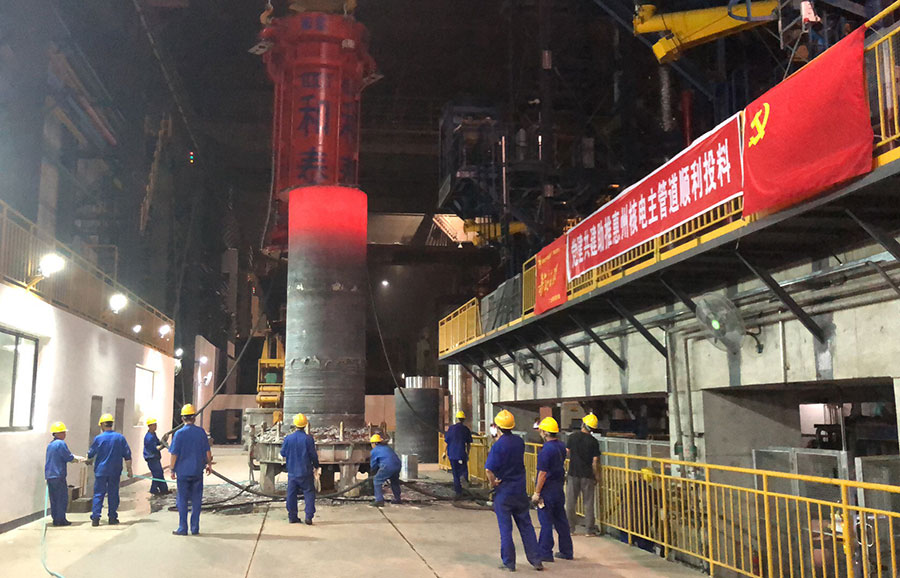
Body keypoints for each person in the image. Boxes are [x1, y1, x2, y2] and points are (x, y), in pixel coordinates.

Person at [484, 409, 543, 572]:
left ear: (498, 427)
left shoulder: (498, 446)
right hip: (519, 490)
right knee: (526, 526)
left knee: (506, 529)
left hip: (504, 492)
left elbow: (489, 469)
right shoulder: (519, 442)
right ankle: (536, 560)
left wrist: (493, 483)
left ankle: (509, 563)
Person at [532, 417, 573, 562]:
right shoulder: (561, 446)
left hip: (547, 490)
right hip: (558, 488)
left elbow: (542, 473)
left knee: (546, 522)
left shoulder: (546, 450)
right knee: (561, 521)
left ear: (545, 432)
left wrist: (537, 493)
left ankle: (545, 553)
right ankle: (567, 551)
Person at [169, 404, 212, 536]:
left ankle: (183, 528)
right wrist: (209, 464)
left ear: (182, 418)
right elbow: (207, 451)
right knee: (196, 500)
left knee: (182, 500)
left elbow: (174, 454)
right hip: (197, 471)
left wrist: (172, 469)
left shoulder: (179, 434)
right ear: (194, 418)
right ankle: (195, 528)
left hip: (183, 473)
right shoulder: (201, 432)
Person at [88, 413, 133, 526]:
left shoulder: (98, 438)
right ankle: (112, 518)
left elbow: (90, 454)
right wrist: (129, 470)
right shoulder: (120, 438)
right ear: (111, 424)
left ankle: (95, 519)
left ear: (102, 425)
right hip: (115, 471)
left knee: (99, 494)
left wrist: (88, 459)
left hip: (101, 471)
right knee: (113, 493)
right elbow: (127, 455)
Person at [280, 412, 320, 524]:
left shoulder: (288, 438)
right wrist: (317, 466)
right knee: (309, 493)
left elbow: (283, 453)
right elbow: (313, 455)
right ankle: (308, 517)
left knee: (291, 495)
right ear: (305, 425)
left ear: (295, 424)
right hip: (306, 472)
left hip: (292, 473)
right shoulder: (308, 439)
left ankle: (292, 517)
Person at [566, 413, 602, 535]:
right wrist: (597, 476)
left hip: (573, 473)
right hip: (587, 475)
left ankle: (570, 528)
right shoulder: (594, 442)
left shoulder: (572, 437)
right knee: (588, 503)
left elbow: (567, 452)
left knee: (570, 502)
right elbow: (595, 461)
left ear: (583, 424)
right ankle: (589, 530)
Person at [45, 421, 85, 526]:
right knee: (61, 498)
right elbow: (68, 457)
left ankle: (56, 519)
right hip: (58, 475)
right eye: (63, 432)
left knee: (54, 499)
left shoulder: (50, 445)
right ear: (58, 433)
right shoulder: (61, 444)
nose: (65, 434)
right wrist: (80, 459)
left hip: (50, 476)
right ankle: (61, 520)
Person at [444, 410, 473, 498]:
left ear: (456, 419)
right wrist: (468, 454)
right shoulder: (466, 429)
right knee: (463, 470)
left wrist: (444, 452)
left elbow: (447, 441)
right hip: (461, 454)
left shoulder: (451, 428)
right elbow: (468, 444)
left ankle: (458, 491)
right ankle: (465, 485)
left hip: (452, 454)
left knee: (455, 473)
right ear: (463, 419)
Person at [369, 434, 402, 507]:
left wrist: (372, 472)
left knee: (377, 480)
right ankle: (398, 499)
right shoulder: (387, 448)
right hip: (397, 465)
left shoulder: (374, 451)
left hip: (387, 466)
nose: (371, 445)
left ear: (375, 443)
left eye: (371, 443)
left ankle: (379, 500)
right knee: (394, 481)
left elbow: (373, 465)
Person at [143, 418, 168, 496]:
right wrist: (164, 445)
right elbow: (156, 448)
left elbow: (158, 442)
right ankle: (153, 490)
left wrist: (164, 439)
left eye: (155, 425)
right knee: (157, 474)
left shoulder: (153, 434)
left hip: (155, 457)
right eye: (154, 425)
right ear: (149, 426)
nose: (155, 426)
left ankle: (164, 490)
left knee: (159, 473)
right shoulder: (149, 437)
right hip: (151, 458)